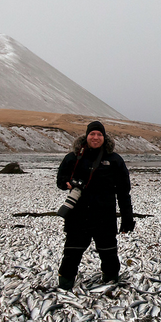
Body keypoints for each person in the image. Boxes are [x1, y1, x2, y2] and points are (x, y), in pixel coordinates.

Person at [56, 120, 134, 290]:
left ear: (104, 138)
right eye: (92, 134)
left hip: (104, 215)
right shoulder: (73, 157)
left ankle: (110, 280)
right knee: (71, 252)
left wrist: (127, 218)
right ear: (87, 136)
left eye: (99, 134)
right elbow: (60, 180)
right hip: (77, 215)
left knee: (109, 252)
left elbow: (123, 192)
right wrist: (67, 184)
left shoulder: (114, 160)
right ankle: (65, 284)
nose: (96, 137)